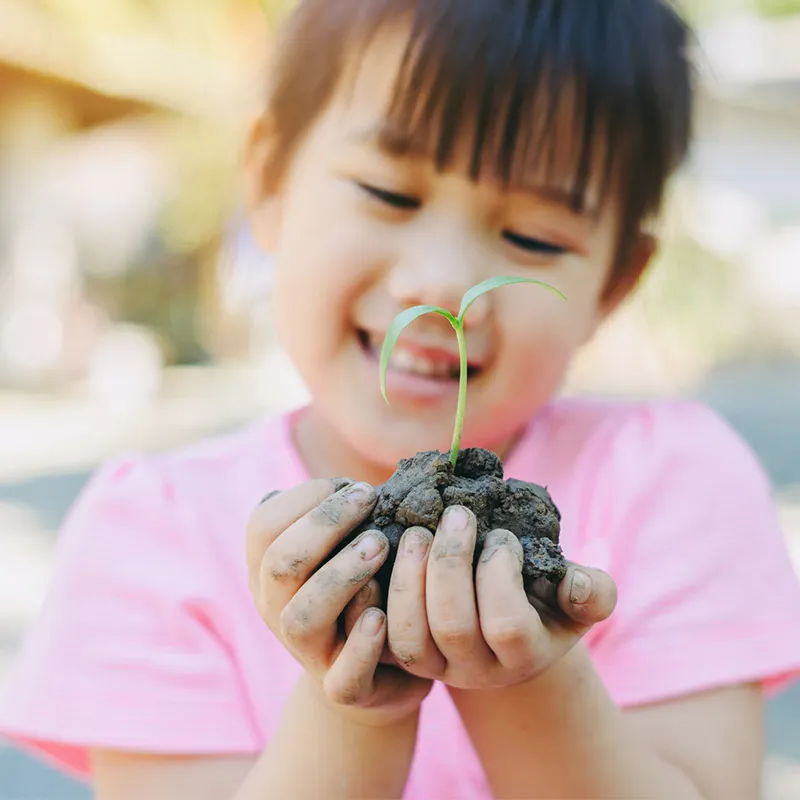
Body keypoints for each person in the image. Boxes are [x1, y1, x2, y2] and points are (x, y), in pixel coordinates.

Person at [3, 1, 800, 798]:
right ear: (269, 184)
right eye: (389, 192)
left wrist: (520, 671)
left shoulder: (674, 481)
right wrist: (354, 709)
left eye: (532, 239)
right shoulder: (153, 534)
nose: (442, 280)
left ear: (616, 284)